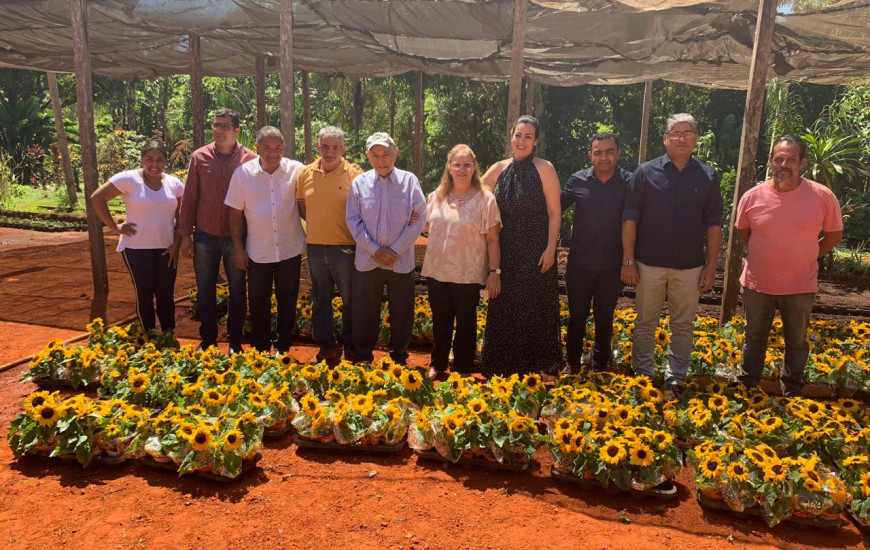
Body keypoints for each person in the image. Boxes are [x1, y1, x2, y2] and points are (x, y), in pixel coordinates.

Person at [621, 113, 723, 394]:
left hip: (689, 266)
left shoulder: (708, 176)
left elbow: (714, 224)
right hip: (648, 264)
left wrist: (711, 265)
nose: (681, 138)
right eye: (675, 133)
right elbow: (630, 218)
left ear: (696, 139)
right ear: (665, 139)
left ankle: (675, 377)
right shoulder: (644, 173)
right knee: (644, 322)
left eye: (687, 133)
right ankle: (643, 373)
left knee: (683, 324)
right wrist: (628, 260)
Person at [735, 135, 843, 397]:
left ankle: (791, 393)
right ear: (771, 161)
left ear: (802, 163)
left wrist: (807, 255)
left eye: (790, 159)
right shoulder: (752, 197)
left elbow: (834, 235)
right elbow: (743, 233)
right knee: (754, 338)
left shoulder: (822, 197)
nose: (783, 164)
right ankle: (747, 388)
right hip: (758, 284)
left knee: (796, 342)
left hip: (799, 285)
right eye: (778, 158)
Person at [481, 115, 563, 377]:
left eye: (528, 136)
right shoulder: (498, 169)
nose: (522, 140)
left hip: (537, 254)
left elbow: (554, 212)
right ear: (511, 136)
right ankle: (503, 370)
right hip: (505, 254)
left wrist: (551, 248)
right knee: (505, 309)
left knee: (535, 310)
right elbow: (471, 193)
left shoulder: (545, 169)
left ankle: (534, 371)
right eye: (519, 135)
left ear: (535, 141)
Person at [178, 108, 257, 353]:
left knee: (237, 289)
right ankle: (208, 341)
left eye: (225, 126)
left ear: (237, 131)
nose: (219, 130)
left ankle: (235, 342)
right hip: (205, 237)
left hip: (237, 239)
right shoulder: (199, 157)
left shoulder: (251, 160)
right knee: (205, 290)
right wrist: (185, 236)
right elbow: (190, 198)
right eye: (216, 125)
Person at [346, 132, 427, 365]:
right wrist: (376, 251)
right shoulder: (359, 184)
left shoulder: (409, 181)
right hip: (368, 261)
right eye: (375, 155)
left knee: (402, 312)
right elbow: (353, 221)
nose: (381, 160)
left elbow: (420, 217)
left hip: (400, 262)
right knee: (364, 311)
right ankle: (363, 358)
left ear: (396, 153)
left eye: (386, 154)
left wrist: (395, 249)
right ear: (367, 157)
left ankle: (399, 358)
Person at [421, 144, 502, 379]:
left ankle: (464, 368)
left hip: (468, 274)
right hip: (437, 272)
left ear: (474, 167)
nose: (462, 169)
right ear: (449, 167)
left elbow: (493, 240)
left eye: (467, 165)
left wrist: (494, 271)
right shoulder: (437, 196)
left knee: (466, 323)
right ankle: (437, 364)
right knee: (441, 322)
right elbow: (425, 226)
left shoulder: (486, 199)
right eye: (457, 164)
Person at [225, 126, 305, 355]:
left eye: (278, 148)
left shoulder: (296, 170)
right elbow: (234, 214)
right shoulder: (243, 174)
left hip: (290, 249)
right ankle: (260, 348)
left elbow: (319, 174)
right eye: (267, 148)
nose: (273, 153)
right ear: (257, 148)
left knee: (287, 300)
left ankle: (283, 347)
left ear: (284, 148)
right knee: (258, 301)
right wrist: (239, 250)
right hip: (258, 251)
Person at [91, 140, 184, 333]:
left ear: (166, 161)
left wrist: (176, 244)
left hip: (167, 248)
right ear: (142, 159)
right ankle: (148, 335)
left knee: (166, 294)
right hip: (136, 248)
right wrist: (114, 227)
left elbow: (182, 217)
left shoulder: (174, 184)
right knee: (145, 294)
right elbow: (97, 198)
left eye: (159, 160)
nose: (154, 165)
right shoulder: (128, 179)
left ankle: (169, 335)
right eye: (149, 159)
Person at [561, 132, 632, 373]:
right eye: (598, 152)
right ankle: (572, 363)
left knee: (605, 319)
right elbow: (553, 209)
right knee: (576, 318)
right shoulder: (577, 180)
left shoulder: (629, 183)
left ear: (618, 153)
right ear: (590, 155)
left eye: (609, 151)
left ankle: (600, 366)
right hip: (579, 265)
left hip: (612, 266)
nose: (604, 157)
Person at [296, 126, 363, 363]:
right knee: (321, 297)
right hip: (315, 247)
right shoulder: (305, 173)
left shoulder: (355, 175)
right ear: (318, 147)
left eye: (335, 147)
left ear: (343, 149)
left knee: (349, 299)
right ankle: (327, 345)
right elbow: (303, 207)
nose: (330, 151)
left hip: (345, 248)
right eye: (325, 146)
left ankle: (351, 347)